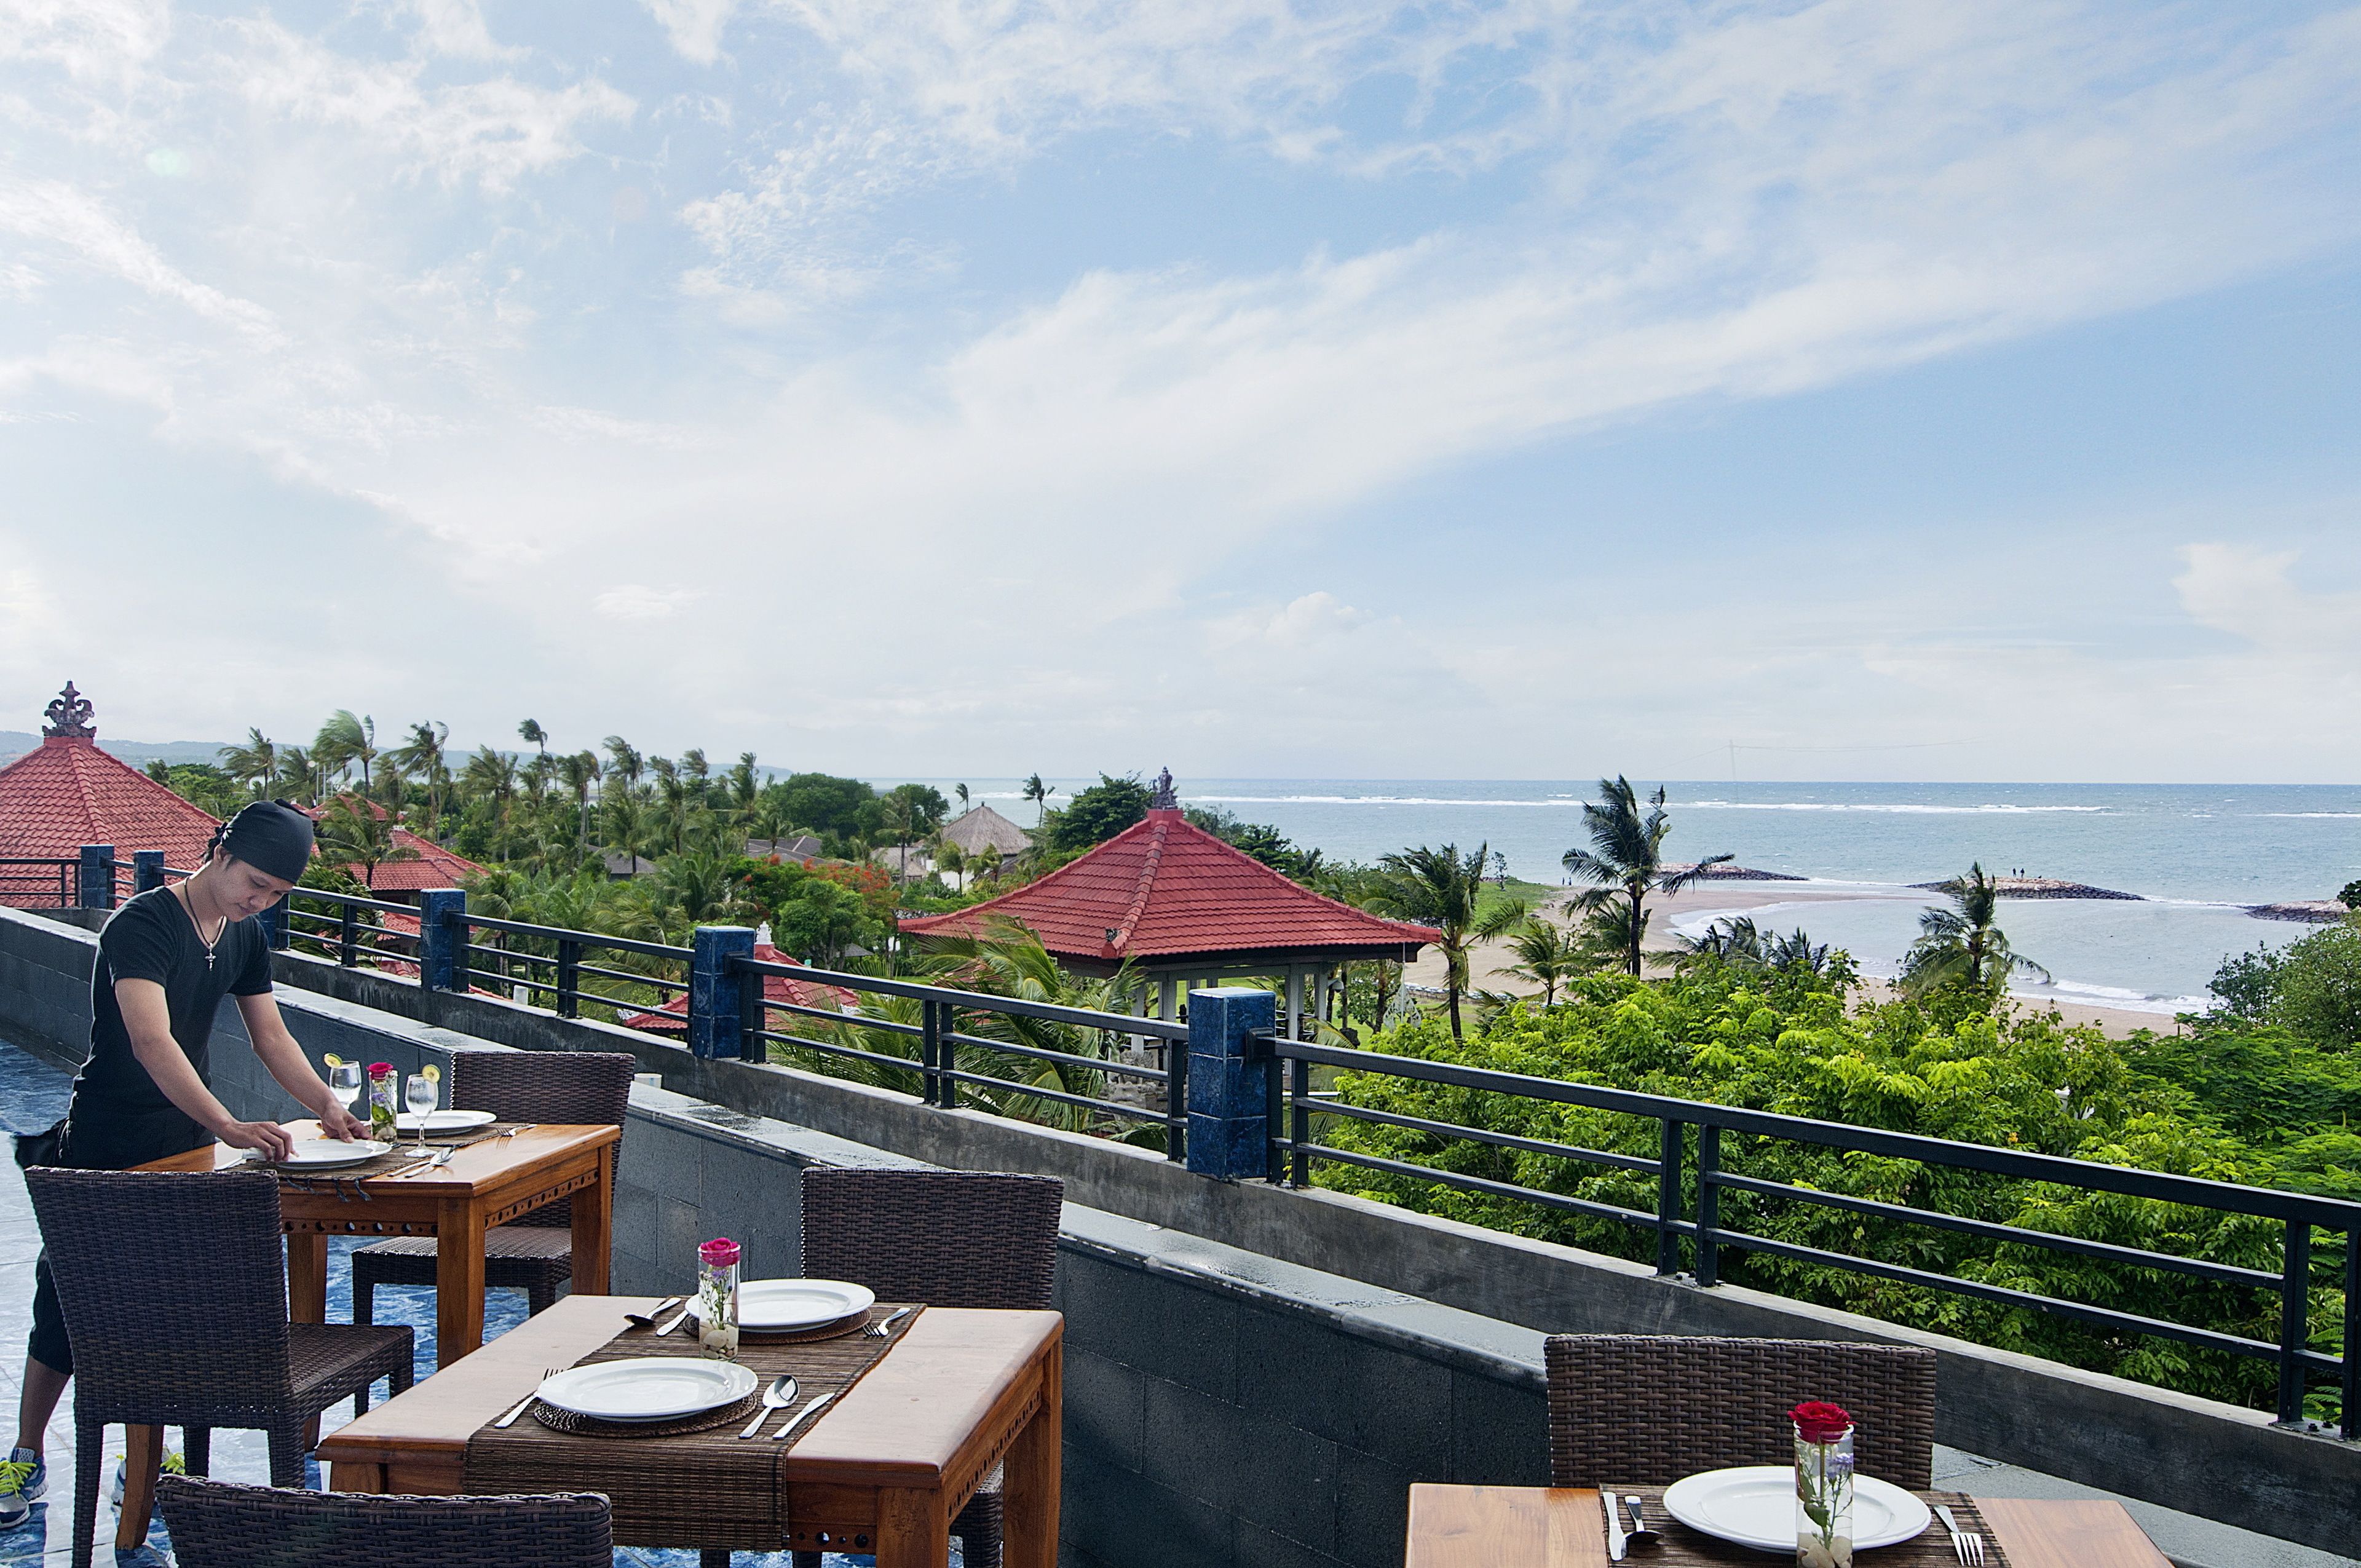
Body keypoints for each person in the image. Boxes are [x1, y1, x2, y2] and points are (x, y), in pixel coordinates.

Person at [3, 801, 368, 1531]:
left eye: (273, 895)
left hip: (185, 1138)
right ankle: (25, 1452)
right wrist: (230, 1122)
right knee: (69, 1299)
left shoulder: (243, 936)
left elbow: (270, 1034)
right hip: (107, 1137)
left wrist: (327, 1104)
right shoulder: (141, 923)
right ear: (220, 852)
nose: (257, 902)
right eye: (253, 883)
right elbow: (151, 1040)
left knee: (164, 1301)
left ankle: (143, 1463)